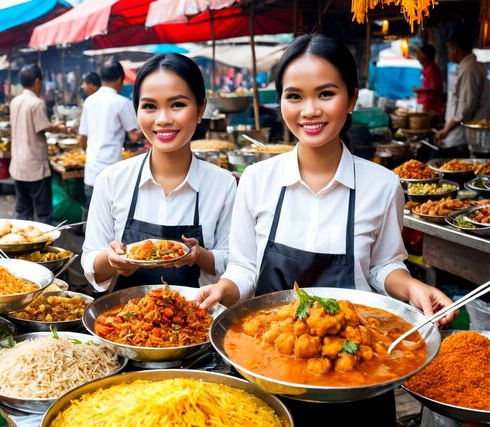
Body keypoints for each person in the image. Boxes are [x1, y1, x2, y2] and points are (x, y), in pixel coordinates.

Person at [194, 35, 455, 426]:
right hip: (267, 374)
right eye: (294, 96)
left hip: (360, 385)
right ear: (280, 102)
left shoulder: (383, 185)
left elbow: (384, 266)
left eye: (326, 94)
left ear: (352, 99)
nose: (310, 110)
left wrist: (413, 287)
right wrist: (223, 290)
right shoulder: (255, 180)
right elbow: (245, 268)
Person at [81, 53, 237, 291]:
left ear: (200, 109)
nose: (163, 119)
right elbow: (91, 263)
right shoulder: (111, 180)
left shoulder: (223, 185)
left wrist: (199, 255)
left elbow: (236, 265)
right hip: (122, 312)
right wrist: (111, 260)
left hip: (197, 312)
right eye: (149, 106)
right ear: (136, 111)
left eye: (177, 104)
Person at [78, 60, 142, 216]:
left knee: (92, 217)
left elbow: (82, 138)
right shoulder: (122, 102)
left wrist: (91, 155)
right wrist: (150, 124)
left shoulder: (89, 101)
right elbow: (134, 136)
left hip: (91, 171)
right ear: (120, 79)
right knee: (113, 218)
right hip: (113, 173)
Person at [9, 64, 68, 224]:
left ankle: (20, 239)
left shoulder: (15, 101)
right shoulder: (37, 103)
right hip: (34, 167)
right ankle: (43, 239)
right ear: (37, 81)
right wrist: (60, 128)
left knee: (22, 213)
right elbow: (43, 127)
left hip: (18, 165)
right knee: (43, 216)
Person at [436, 30, 490, 157]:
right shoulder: (468, 66)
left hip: (464, 138)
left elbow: (465, 109)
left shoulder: (469, 69)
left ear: (455, 49)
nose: (448, 52)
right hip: (465, 136)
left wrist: (446, 130)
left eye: (448, 49)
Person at [412, 44, 443, 116]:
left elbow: (435, 88)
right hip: (426, 105)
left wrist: (419, 90)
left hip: (431, 107)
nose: (417, 57)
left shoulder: (431, 68)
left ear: (425, 56)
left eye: (419, 54)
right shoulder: (426, 68)